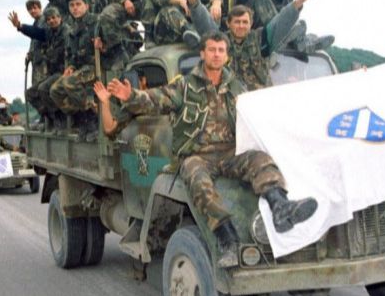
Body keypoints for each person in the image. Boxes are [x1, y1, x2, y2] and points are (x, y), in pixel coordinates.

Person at [107, 32, 318, 267]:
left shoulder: (236, 87)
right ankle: (227, 240)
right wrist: (131, 95)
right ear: (203, 53)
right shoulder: (185, 86)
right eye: (212, 50)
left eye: (220, 50)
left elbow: (258, 111)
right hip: (197, 155)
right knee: (198, 181)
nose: (216, 55)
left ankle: (280, 206)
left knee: (261, 160)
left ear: (226, 56)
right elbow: (157, 98)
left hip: (229, 153)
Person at [191, 0, 316, 91]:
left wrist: (299, 2)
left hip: (260, 98)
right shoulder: (221, 43)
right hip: (232, 99)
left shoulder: (261, 39)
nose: (241, 26)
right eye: (237, 22)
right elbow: (205, 24)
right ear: (228, 24)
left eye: (245, 22)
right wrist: (194, 2)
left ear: (251, 24)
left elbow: (280, 23)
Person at [49, 0, 101, 141]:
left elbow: (113, 38)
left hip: (97, 66)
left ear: (86, 6)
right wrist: (71, 66)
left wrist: (103, 44)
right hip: (81, 69)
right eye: (71, 5)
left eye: (78, 4)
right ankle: (82, 117)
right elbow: (72, 54)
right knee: (55, 90)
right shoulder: (72, 29)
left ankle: (92, 119)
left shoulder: (97, 22)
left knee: (69, 83)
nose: (75, 8)